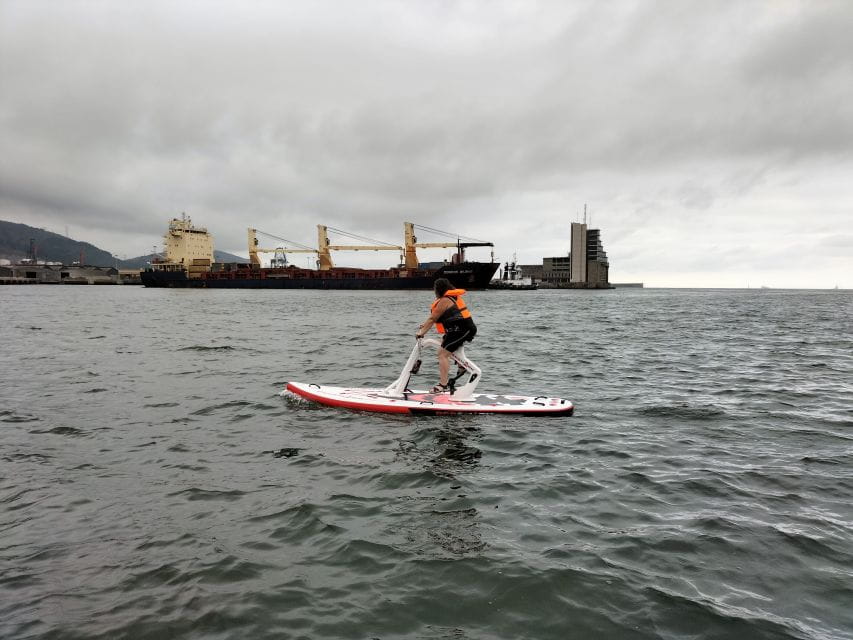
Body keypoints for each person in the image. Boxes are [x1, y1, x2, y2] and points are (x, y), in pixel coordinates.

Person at [415, 278, 477, 392]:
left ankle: (443, 385)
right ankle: (461, 365)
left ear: (438, 289)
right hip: (457, 330)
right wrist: (423, 326)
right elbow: (435, 318)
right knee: (443, 345)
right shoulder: (450, 298)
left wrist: (421, 333)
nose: (434, 291)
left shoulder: (445, 300)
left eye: (435, 289)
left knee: (442, 354)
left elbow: (433, 318)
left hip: (462, 330)